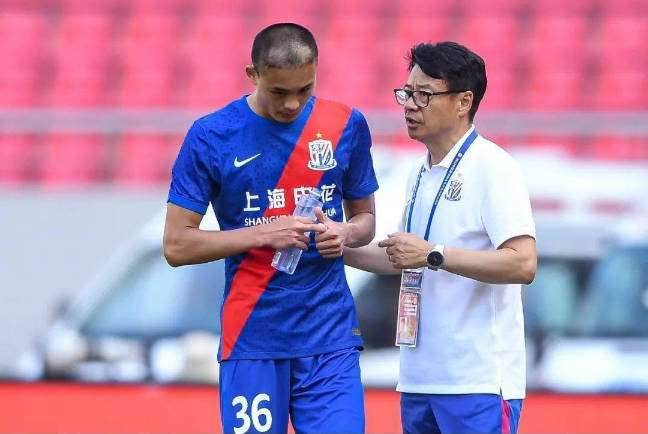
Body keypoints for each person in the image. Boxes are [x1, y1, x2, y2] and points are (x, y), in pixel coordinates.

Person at [163, 23, 378, 434]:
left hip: (330, 336)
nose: (292, 103)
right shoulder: (212, 135)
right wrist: (264, 233)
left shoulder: (346, 124)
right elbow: (176, 245)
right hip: (252, 337)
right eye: (279, 91)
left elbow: (365, 220)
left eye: (305, 89)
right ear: (253, 74)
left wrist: (346, 233)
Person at [344, 41, 537, 434]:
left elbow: (522, 262)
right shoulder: (419, 172)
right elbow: (403, 256)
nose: (410, 105)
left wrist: (433, 254)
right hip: (419, 379)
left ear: (464, 101)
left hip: (477, 381)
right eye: (407, 93)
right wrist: (336, 248)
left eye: (424, 95)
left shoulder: (494, 168)